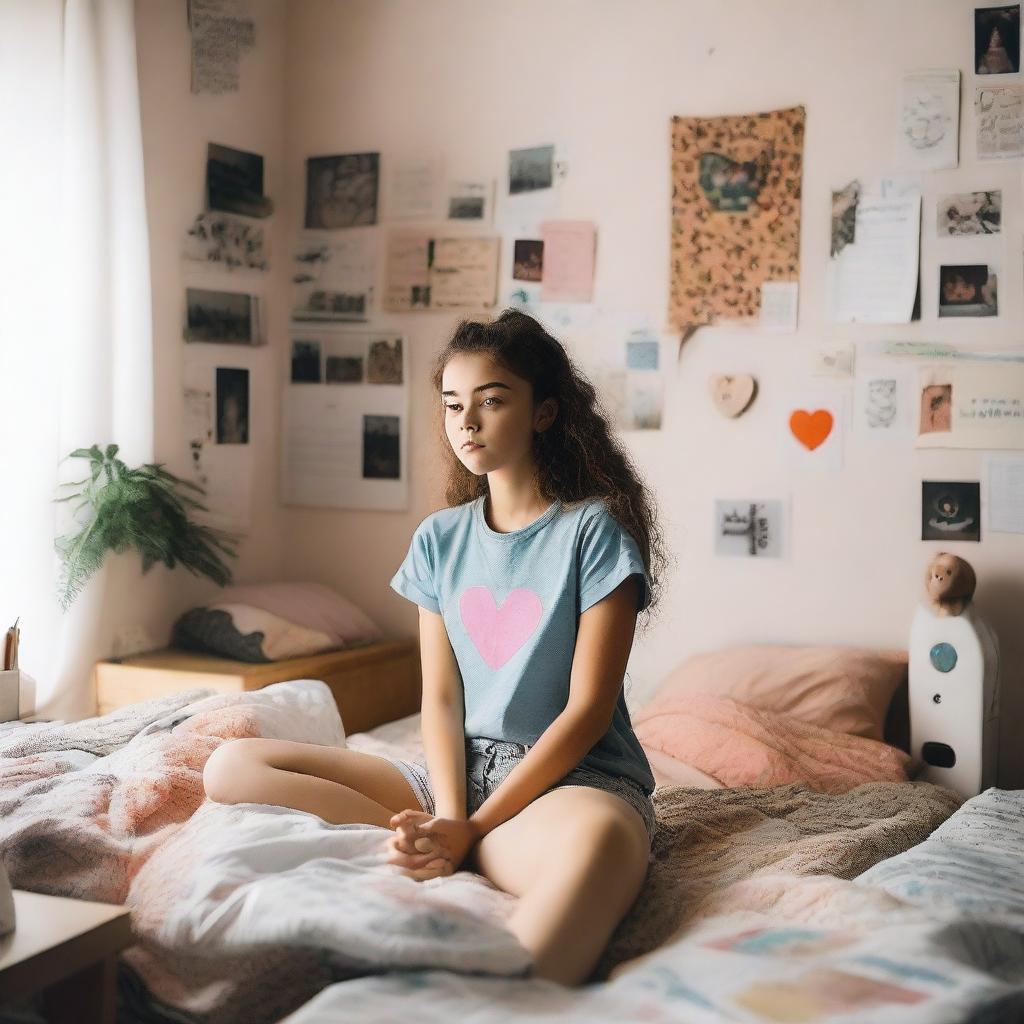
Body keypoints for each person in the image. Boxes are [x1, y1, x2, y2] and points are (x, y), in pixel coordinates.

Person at [202, 308, 669, 987]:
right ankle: (451, 844)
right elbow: (443, 700)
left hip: (568, 783)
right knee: (231, 766)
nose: (467, 423)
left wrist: (473, 827)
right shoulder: (439, 540)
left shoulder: (592, 531)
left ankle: (496, 981)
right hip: (452, 776)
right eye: (453, 405)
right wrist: (451, 818)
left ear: (543, 413)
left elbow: (590, 709)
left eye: (491, 401)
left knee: (602, 843)